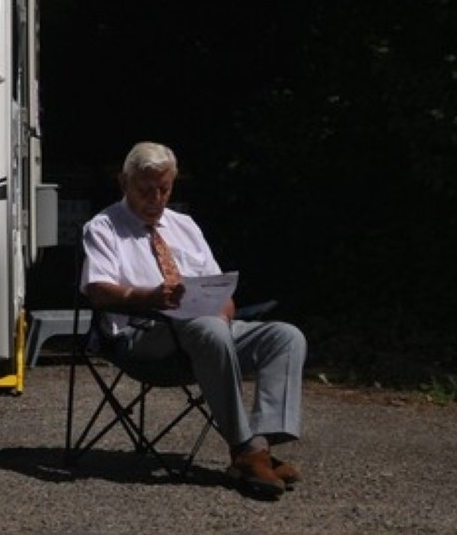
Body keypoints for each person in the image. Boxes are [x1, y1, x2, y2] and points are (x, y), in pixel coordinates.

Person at [80, 141, 307, 497]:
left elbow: (220, 289)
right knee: (209, 329)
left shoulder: (184, 225)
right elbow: (97, 291)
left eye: (165, 189)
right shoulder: (104, 227)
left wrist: (223, 311)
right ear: (123, 183)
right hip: (143, 333)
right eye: (146, 190)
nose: (156, 198)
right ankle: (245, 449)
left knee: (284, 336)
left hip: (205, 332)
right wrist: (148, 297)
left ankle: (257, 447)